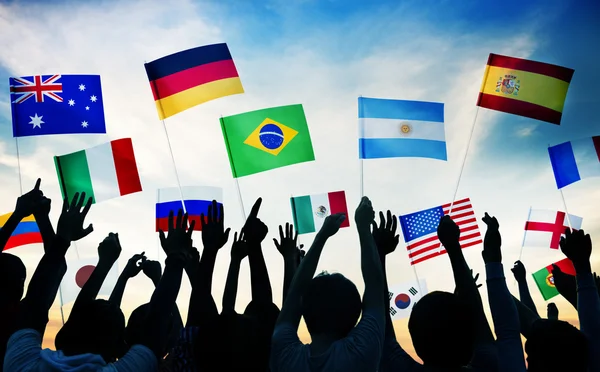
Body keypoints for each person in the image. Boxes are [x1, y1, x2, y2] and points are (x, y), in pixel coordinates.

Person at [270, 196, 385, 371]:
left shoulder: (285, 355)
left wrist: (322, 236)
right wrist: (363, 227)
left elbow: (295, 293)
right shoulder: (362, 353)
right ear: (355, 312)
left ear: (305, 309)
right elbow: (376, 286)